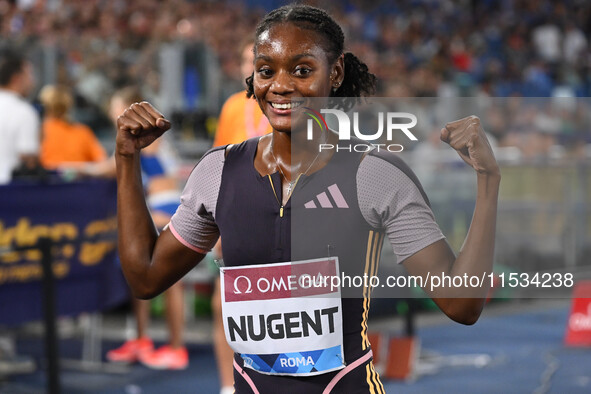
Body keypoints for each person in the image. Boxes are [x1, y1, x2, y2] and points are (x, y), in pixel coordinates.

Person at [114, 5, 500, 393]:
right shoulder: (218, 173)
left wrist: (488, 179)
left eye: (301, 70)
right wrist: (126, 159)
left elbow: (461, 304)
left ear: (335, 72)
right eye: (266, 70)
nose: (280, 85)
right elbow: (146, 277)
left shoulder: (374, 176)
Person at [92, 87, 189, 370]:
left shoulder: (147, 138)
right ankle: (143, 339)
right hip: (157, 209)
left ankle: (176, 347)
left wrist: (72, 167)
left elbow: (109, 168)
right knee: (138, 270)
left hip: (168, 210)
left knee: (171, 279)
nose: (111, 111)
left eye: (115, 105)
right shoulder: (138, 138)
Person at [211, 38, 272, 394]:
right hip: (237, 219)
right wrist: (218, 227)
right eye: (249, 61)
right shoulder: (232, 107)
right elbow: (220, 166)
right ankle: (228, 386)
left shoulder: (289, 103)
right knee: (227, 307)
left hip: (283, 220)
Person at [39, 84, 107, 169]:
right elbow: (101, 161)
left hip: (46, 181)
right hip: (80, 181)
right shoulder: (82, 132)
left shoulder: (40, 132)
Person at [0, 50, 40, 184]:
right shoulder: (24, 112)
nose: (32, 82)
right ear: (16, 78)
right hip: (8, 193)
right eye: (29, 76)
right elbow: (28, 158)